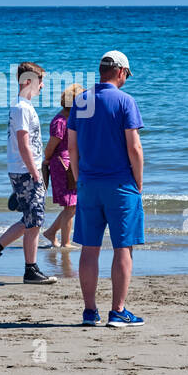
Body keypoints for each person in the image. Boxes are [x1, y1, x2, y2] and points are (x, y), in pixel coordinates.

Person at [67, 50, 145, 327]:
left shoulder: (81, 100)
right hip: (120, 183)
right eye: (127, 75)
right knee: (123, 247)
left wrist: (79, 178)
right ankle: (118, 311)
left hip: (89, 183)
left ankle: (90, 312)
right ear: (121, 71)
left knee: (90, 248)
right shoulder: (125, 101)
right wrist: (139, 182)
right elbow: (134, 148)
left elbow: (72, 147)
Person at [0, 63, 58, 285]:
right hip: (25, 171)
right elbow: (23, 144)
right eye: (39, 81)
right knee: (35, 220)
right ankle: (30, 269)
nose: (42, 86)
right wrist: (35, 173)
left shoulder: (23, 106)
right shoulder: (22, 108)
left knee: (31, 219)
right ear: (27, 82)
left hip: (23, 170)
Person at [42, 82, 83, 248]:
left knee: (72, 205)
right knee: (71, 205)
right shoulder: (60, 121)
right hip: (62, 165)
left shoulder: (72, 118)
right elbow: (51, 146)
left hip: (71, 163)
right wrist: (46, 160)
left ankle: (51, 232)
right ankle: (65, 242)